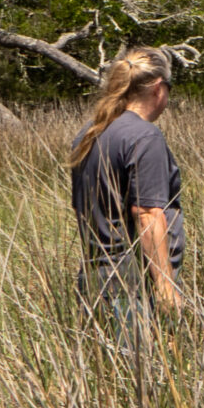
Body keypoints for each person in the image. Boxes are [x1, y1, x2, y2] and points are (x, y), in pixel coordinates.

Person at [67, 47, 184, 324]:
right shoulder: (145, 137)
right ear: (158, 88)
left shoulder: (90, 132)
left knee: (105, 367)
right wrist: (166, 286)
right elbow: (147, 213)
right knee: (140, 365)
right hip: (131, 284)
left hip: (95, 278)